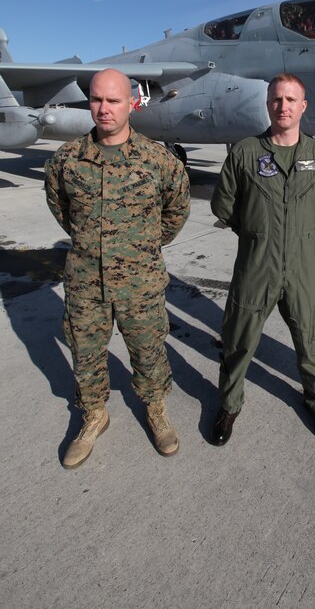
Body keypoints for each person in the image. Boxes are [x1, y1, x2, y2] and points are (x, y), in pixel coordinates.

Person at [45, 69, 190, 468]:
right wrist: (93, 244)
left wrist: (142, 246)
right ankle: (94, 414)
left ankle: (155, 409)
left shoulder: (158, 159)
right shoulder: (66, 160)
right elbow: (62, 210)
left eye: (113, 101)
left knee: (148, 350)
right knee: (86, 353)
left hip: (140, 280)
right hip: (85, 281)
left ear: (131, 103)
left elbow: (176, 210)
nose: (104, 109)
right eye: (96, 100)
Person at [210, 73, 315, 445]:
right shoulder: (246, 152)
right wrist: (256, 232)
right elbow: (223, 203)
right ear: (267, 104)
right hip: (256, 264)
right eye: (276, 99)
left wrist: (300, 231)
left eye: (290, 100)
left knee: (311, 337)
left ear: (303, 106)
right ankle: (229, 404)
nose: (282, 106)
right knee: (238, 339)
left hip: (302, 265)